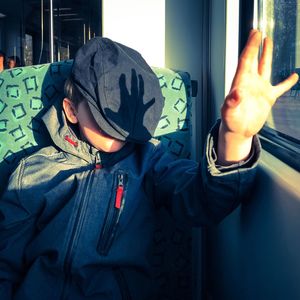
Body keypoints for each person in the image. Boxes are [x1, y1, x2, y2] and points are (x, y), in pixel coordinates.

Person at [0, 30, 298, 299]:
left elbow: (202, 199)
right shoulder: (32, 170)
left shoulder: (148, 162)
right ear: (71, 110)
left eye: (126, 121)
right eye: (105, 119)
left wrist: (234, 137)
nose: (118, 132)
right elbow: (6, 257)